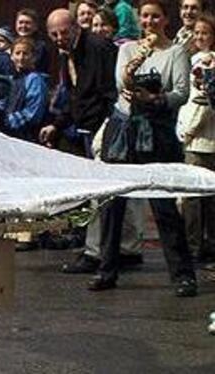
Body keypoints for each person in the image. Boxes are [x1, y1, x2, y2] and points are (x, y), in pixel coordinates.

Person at [90, 0, 197, 297]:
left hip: (156, 131)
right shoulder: (127, 49)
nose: (149, 21)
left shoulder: (175, 52)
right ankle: (106, 268)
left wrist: (154, 99)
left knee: (163, 205)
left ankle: (183, 274)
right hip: (124, 129)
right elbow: (119, 83)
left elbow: (181, 92)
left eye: (155, 16)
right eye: (145, 16)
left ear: (165, 20)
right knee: (113, 204)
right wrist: (132, 84)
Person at [39, 9, 117, 157]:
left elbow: (109, 92)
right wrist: (56, 125)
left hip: (102, 129)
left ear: (76, 27)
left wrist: (106, 129)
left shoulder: (99, 47)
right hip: (82, 128)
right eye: (54, 35)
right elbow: (73, 95)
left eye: (64, 32)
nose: (60, 38)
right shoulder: (65, 53)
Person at [177, 14, 215, 264]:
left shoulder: (206, 62)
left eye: (205, 33)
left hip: (202, 137)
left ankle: (197, 245)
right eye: (197, 33)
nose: (200, 37)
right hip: (198, 136)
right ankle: (202, 244)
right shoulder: (192, 59)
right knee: (201, 197)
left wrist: (186, 129)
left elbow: (203, 102)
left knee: (196, 197)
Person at [0, 37, 48, 143]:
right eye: (17, 53)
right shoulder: (10, 79)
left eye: (25, 53)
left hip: (25, 136)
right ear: (11, 56)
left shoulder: (35, 80)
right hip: (4, 134)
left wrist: (7, 122)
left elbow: (33, 113)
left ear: (34, 57)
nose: (21, 57)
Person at [14, 8, 51, 74]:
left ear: (35, 26)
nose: (23, 26)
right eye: (20, 22)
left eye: (27, 23)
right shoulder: (12, 43)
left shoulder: (40, 46)